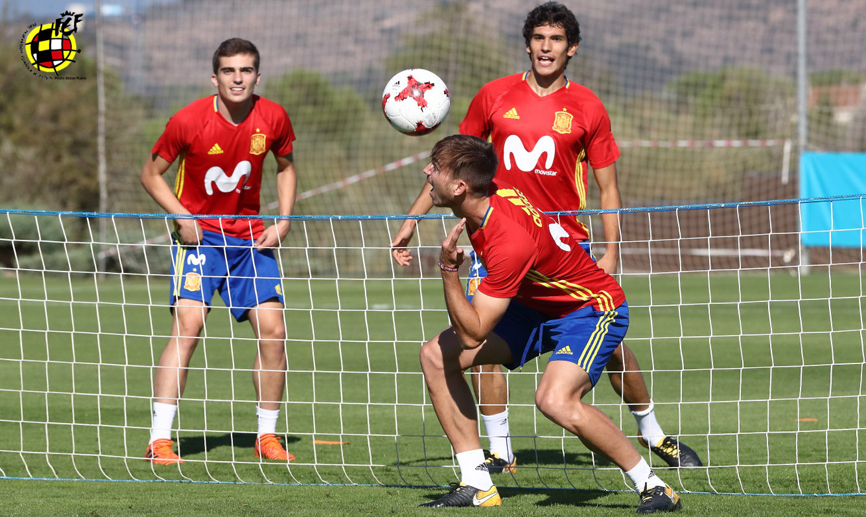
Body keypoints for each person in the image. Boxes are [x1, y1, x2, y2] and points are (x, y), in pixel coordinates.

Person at [391, 1, 701, 470]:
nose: (546, 47)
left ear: (571, 48)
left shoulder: (588, 106)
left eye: (555, 39)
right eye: (538, 38)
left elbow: (607, 185)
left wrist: (613, 247)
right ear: (528, 43)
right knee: (477, 337)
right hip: (499, 240)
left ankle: (653, 432)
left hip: (565, 244)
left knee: (609, 344)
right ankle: (499, 451)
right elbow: (451, 164)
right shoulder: (493, 96)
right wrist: (412, 220)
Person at [416, 134, 682, 513]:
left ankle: (653, 486)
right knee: (435, 356)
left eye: (435, 167)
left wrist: (447, 270)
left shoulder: (508, 241)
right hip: (536, 306)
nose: (427, 170)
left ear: (460, 187)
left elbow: (474, 332)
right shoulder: (492, 193)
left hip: (590, 309)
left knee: (554, 400)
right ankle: (477, 483)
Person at [140, 38, 297, 464]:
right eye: (229, 71)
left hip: (250, 239)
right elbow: (151, 175)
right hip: (200, 240)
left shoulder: (274, 117)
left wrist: (283, 220)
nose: (237, 78)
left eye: (245, 70)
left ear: (257, 76)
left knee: (275, 331)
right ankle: (159, 440)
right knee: (188, 327)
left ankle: (266, 436)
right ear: (215, 78)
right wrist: (181, 215)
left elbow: (286, 167)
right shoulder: (188, 120)